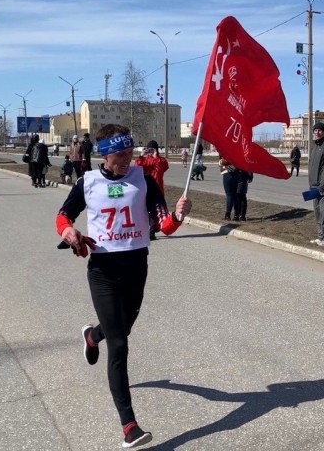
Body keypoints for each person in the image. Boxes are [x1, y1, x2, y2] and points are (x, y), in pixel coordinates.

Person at [55, 123, 192, 448]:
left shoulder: (143, 180)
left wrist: (178, 215)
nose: (127, 158)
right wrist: (68, 233)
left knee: (121, 330)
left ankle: (92, 335)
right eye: (121, 154)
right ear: (105, 154)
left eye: (131, 152)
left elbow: (164, 225)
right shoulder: (87, 182)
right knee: (119, 345)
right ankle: (129, 426)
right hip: (103, 269)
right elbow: (63, 216)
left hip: (136, 267)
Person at [219, 156, 238, 220]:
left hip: (228, 172)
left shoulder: (226, 151)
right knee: (235, 195)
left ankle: (228, 215)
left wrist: (220, 162)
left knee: (229, 195)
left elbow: (223, 162)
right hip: (235, 173)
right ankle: (236, 215)